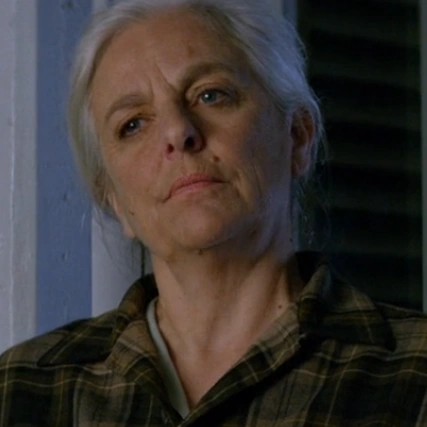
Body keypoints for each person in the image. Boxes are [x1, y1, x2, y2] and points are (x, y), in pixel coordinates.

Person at [1, 0, 427, 425]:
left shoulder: (412, 370)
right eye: (133, 124)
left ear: (297, 136)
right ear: (114, 200)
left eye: (210, 95)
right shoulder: (21, 390)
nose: (177, 131)